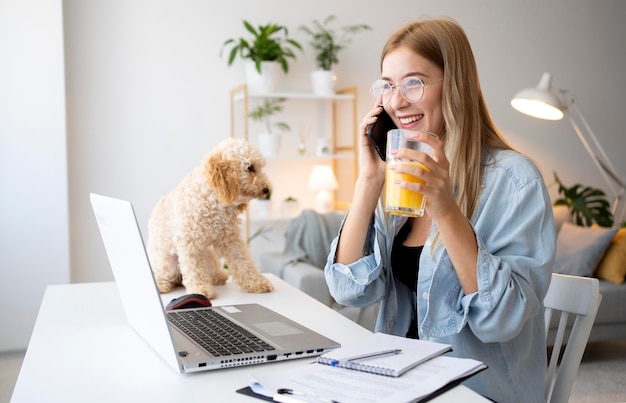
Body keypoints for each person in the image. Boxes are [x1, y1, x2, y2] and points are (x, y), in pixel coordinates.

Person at [324, 17, 556, 403]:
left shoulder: (515, 181)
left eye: (413, 82)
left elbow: (503, 319)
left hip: (475, 393)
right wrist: (368, 180)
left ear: (455, 84)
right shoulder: (399, 177)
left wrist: (446, 209)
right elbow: (349, 290)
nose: (397, 101)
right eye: (388, 86)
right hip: (401, 383)